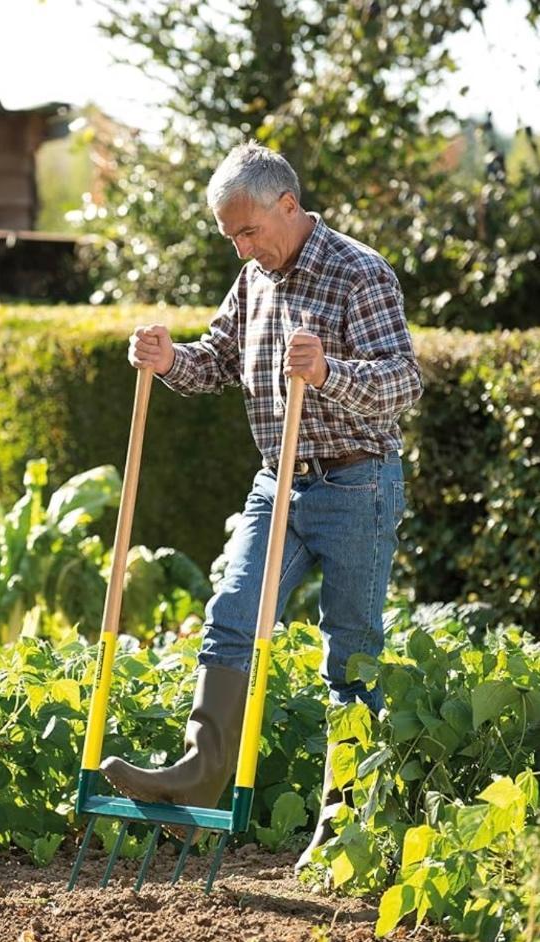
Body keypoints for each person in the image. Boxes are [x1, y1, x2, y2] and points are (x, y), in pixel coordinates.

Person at [101, 140, 423, 874]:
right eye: (232, 238)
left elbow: (402, 382)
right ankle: (197, 775)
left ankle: (347, 826)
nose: (243, 249)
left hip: (357, 485)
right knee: (231, 616)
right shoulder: (254, 279)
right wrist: (167, 359)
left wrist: (330, 371)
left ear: (288, 204)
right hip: (277, 482)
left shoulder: (359, 271)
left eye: (248, 232)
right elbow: (216, 360)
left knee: (351, 656)